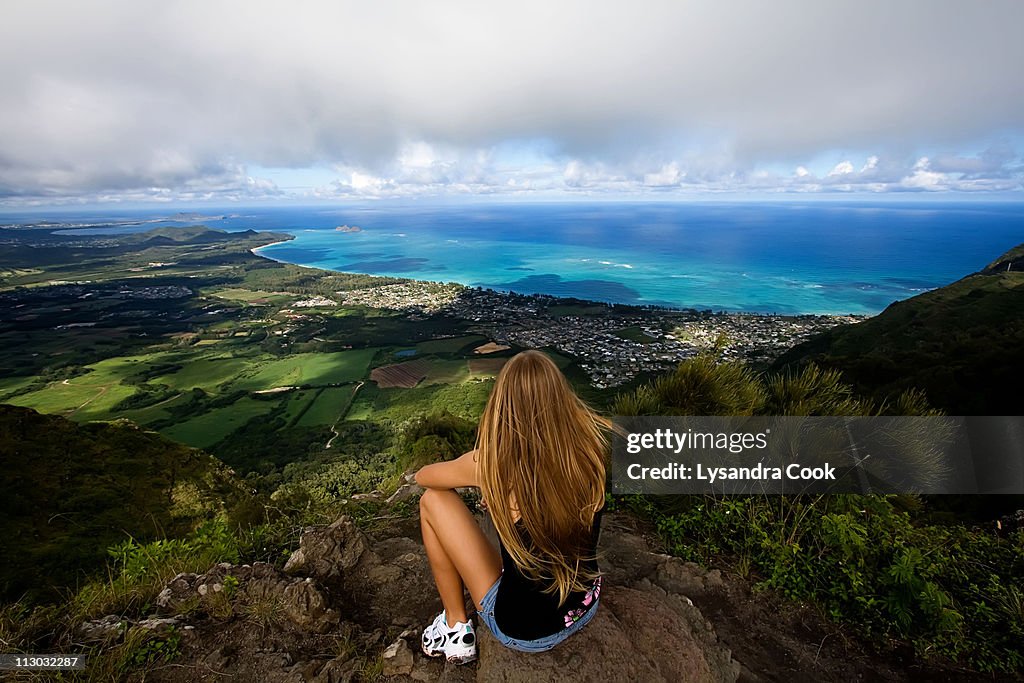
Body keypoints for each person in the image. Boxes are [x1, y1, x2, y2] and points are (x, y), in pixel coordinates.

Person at [414, 349, 610, 664]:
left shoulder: (494, 465)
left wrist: (485, 477)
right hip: (584, 606)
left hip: (526, 630)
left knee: (432, 501)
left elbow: (426, 478)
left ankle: (455, 628)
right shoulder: (588, 450)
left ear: (503, 406)